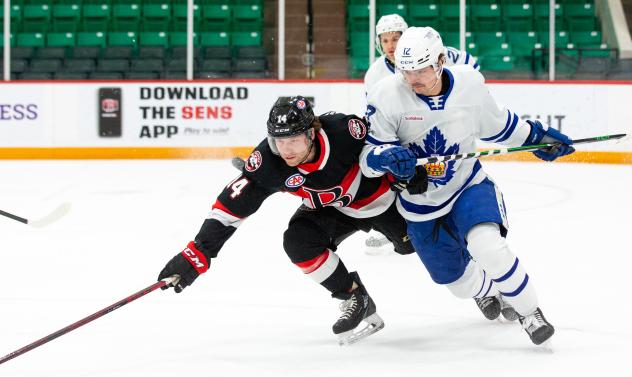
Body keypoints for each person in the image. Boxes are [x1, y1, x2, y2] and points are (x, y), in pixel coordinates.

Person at [360, 27, 575, 345]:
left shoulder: (469, 85)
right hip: (418, 204)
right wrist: (387, 158)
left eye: (421, 69)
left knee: (487, 246)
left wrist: (537, 137)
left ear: (441, 60)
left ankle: (530, 312)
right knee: (457, 284)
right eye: (407, 71)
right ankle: (491, 289)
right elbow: (368, 155)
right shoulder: (386, 94)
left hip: (466, 186)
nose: (413, 79)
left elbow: (499, 125)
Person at [158, 96, 415, 345]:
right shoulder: (269, 162)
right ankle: (354, 296)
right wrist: (197, 253)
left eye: (293, 140)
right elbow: (230, 208)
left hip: (380, 203)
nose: (286, 150)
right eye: (278, 141)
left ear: (311, 134)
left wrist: (411, 173)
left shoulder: (343, 130)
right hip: (331, 209)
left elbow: (391, 145)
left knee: (410, 246)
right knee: (298, 242)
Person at [363, 13, 479, 255]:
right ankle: (397, 226)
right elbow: (377, 119)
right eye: (385, 40)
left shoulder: (435, 53)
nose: (392, 45)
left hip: (443, 131)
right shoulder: (375, 75)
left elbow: (470, 65)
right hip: (406, 135)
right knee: (402, 179)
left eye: (396, 38)